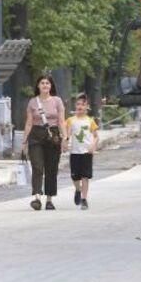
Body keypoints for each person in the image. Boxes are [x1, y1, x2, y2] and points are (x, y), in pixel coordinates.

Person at [21, 74, 65, 210]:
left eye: (47, 83)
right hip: (36, 135)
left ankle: (49, 199)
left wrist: (65, 138)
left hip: (53, 135)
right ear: (38, 86)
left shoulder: (57, 101)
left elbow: (61, 121)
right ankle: (37, 197)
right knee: (37, 166)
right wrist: (24, 142)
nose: (45, 85)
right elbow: (29, 123)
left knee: (51, 168)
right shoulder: (32, 102)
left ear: (51, 86)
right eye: (42, 83)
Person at [65, 93, 99, 210]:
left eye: (83, 105)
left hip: (86, 153)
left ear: (87, 107)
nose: (80, 106)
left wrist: (93, 146)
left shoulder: (90, 121)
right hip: (74, 152)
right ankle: (78, 189)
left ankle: (84, 199)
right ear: (75, 106)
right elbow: (67, 134)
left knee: (85, 176)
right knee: (75, 177)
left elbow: (96, 136)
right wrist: (65, 142)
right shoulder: (71, 120)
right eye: (78, 104)